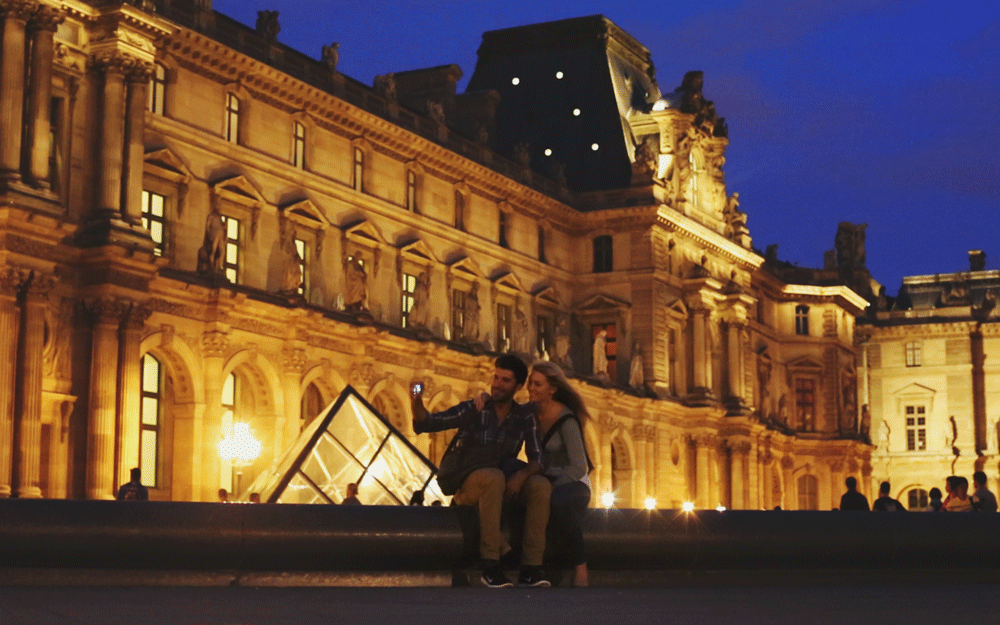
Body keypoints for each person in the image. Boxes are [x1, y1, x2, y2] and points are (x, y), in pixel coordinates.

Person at [412, 354, 551, 588]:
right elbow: (429, 423)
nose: (497, 384)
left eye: (505, 380)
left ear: (518, 386)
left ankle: (531, 567)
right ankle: (490, 564)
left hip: (502, 482)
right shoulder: (475, 408)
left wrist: (522, 476)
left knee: (541, 485)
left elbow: (538, 459)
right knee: (493, 478)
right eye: (496, 378)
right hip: (469, 485)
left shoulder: (524, 416)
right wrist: (416, 400)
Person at [528, 360, 593, 588]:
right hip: (545, 480)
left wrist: (551, 484)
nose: (531, 388)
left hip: (573, 484)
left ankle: (581, 566)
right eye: (530, 383)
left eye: (537, 384)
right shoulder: (530, 414)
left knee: (558, 500)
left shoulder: (567, 419)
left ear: (552, 389)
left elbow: (579, 467)